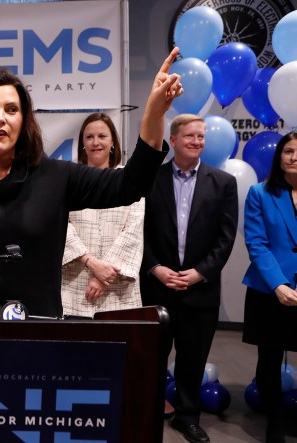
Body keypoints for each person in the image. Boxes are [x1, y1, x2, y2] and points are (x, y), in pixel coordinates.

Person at [0, 49, 183, 318]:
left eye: (12, 110)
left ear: (23, 123)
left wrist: (153, 115)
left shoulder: (55, 176)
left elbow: (131, 185)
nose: (1, 117)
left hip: (38, 330)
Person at [141, 114, 238, 443]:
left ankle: (187, 417)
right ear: (173, 139)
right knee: (152, 358)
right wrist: (155, 267)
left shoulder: (224, 183)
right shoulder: (151, 179)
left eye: (201, 136)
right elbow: (140, 232)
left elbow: (225, 240)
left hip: (201, 290)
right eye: (190, 136)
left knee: (192, 361)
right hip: (157, 286)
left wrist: (199, 273)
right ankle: (147, 412)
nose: (197, 141)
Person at [241, 131, 297, 443]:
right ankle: (274, 422)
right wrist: (279, 285)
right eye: (288, 151)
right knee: (270, 360)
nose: (294, 157)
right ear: (279, 157)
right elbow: (257, 243)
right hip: (269, 291)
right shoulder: (260, 193)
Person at [61, 113, 144, 317]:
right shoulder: (68, 179)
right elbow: (61, 226)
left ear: (113, 141)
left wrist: (102, 277)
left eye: (102, 136)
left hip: (118, 289)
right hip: (74, 286)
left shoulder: (129, 180)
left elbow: (133, 232)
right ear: (82, 144)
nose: (95, 142)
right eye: (89, 137)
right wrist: (91, 262)